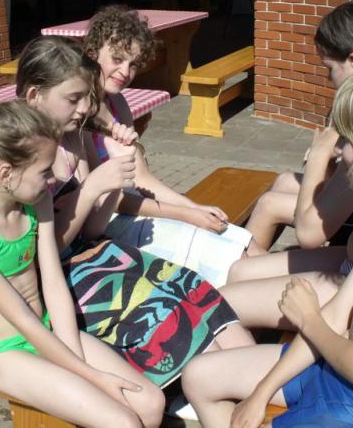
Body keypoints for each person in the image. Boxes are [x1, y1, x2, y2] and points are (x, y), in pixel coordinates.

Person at [181, 60, 353, 428]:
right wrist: (262, 392)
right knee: (198, 376)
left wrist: (308, 319)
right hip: (333, 368)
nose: (339, 151)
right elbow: (337, 312)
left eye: (349, 140)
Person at [16, 36, 255, 389]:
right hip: (63, 276)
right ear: (35, 96)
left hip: (95, 253)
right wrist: (92, 188)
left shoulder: (73, 139)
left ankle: (253, 383)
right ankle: (216, 391)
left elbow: (91, 230)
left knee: (197, 294)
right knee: (170, 319)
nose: (84, 108)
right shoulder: (24, 159)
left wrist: (115, 181)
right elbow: (43, 252)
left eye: (86, 97)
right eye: (74, 99)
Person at [0, 93, 165, 428]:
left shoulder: (36, 200)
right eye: (45, 171)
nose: (53, 180)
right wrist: (91, 375)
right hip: (5, 351)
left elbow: (52, 281)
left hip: (47, 327)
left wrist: (76, 356)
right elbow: (20, 317)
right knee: (123, 421)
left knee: (150, 403)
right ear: (6, 173)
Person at [81, 5, 253, 285]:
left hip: (133, 206)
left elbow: (142, 178)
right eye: (117, 59)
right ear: (92, 52)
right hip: (106, 222)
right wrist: (186, 214)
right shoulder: (79, 113)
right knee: (228, 256)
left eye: (133, 64)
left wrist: (194, 207)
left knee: (238, 238)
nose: (125, 72)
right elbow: (107, 200)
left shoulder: (117, 102)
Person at [245, 0, 353, 255]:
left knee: (268, 205)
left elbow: (309, 233)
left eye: (329, 68)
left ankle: (245, 263)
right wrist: (329, 160)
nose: (328, 78)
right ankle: (256, 260)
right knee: (284, 181)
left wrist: (319, 154)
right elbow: (342, 179)